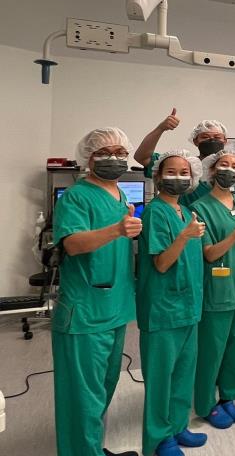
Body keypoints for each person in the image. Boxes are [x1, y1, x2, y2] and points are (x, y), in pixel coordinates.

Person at [51, 127, 139, 456]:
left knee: (103, 388)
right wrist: (117, 229)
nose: (114, 158)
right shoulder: (77, 196)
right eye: (105, 153)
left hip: (114, 307)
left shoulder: (120, 196)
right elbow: (72, 245)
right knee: (83, 397)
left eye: (120, 153)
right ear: (88, 158)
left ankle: (93, 449)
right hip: (85, 311)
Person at [137, 150, 208, 456]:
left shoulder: (185, 211)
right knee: (160, 380)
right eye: (171, 171)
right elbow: (162, 263)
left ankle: (178, 427)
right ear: (157, 176)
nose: (178, 177)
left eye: (184, 173)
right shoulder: (155, 212)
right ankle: (158, 439)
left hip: (188, 307)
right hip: (163, 309)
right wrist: (185, 236)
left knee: (183, 374)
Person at [189, 151, 235, 429]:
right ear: (211, 169)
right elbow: (208, 253)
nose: (229, 170)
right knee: (212, 350)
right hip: (218, 289)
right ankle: (206, 404)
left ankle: (229, 396)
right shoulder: (200, 208)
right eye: (224, 165)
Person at [133, 111, 235, 205]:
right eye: (205, 137)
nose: (212, 140)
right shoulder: (184, 166)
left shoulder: (234, 172)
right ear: (195, 141)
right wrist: (161, 128)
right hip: (186, 223)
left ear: (225, 141)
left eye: (217, 137)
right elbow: (142, 157)